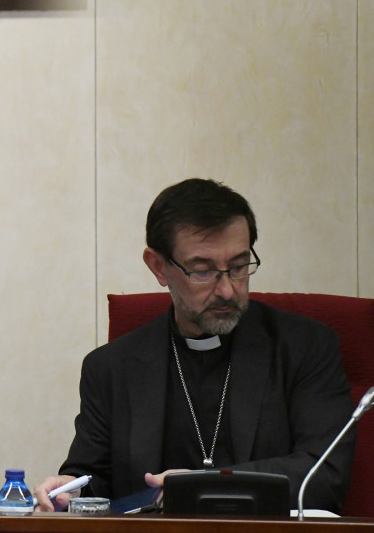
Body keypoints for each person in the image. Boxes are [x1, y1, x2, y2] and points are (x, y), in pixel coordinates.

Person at [34, 179, 355, 513]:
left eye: (239, 267)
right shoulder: (112, 368)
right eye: (203, 271)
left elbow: (325, 475)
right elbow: (95, 480)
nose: (228, 290)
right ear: (158, 266)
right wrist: (69, 492)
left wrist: (206, 485)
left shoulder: (305, 349)